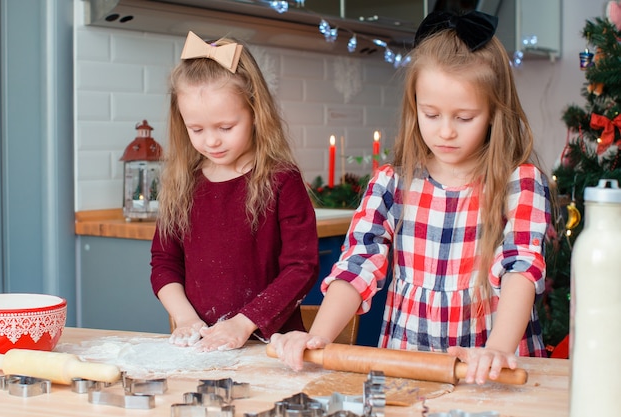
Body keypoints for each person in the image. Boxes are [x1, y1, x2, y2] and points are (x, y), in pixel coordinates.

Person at [270, 10, 552, 385]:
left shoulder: (519, 182)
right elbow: (357, 265)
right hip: (410, 364)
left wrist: (498, 350)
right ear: (414, 106)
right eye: (431, 114)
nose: (446, 132)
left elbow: (521, 270)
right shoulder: (392, 184)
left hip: (493, 368)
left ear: (493, 113)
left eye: (464, 117)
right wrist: (319, 334)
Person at [150, 31, 319, 352]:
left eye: (225, 127)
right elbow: (164, 263)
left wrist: (243, 323)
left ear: (255, 112)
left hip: (272, 345)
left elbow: (302, 267)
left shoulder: (281, 179)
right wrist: (186, 319)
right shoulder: (182, 182)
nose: (211, 141)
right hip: (202, 344)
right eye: (196, 129)